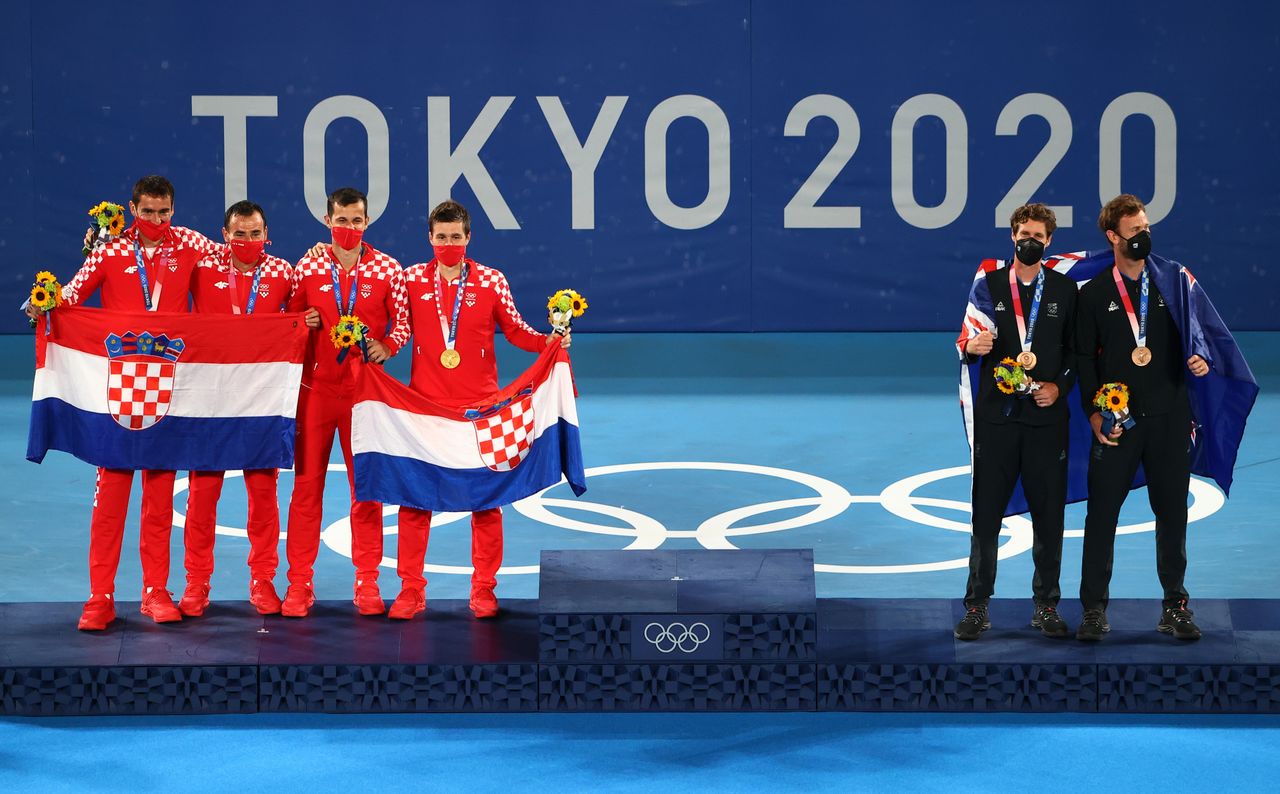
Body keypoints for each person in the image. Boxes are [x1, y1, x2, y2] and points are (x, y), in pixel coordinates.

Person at [32, 175, 221, 630]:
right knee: (111, 500)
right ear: (133, 209)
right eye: (149, 211)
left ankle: (155, 591)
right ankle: (100, 596)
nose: (157, 220)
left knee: (158, 501)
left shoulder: (193, 244)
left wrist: (310, 253)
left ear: (173, 210)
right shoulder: (111, 250)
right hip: (117, 393)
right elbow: (71, 296)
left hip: (168, 392)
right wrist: (41, 304)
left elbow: (237, 262)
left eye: (165, 211)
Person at [391, 200, 569, 620]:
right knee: (415, 502)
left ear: (468, 238)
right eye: (441, 237)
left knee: (486, 503)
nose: (448, 244)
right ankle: (411, 590)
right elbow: (399, 329)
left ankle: (484, 589)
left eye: (456, 237)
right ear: (429, 238)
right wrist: (376, 350)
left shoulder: (491, 280)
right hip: (427, 410)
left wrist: (550, 342)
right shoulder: (409, 279)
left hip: (481, 412)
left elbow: (516, 330)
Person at [1074, 194, 1212, 642]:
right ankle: (1094, 609)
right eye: (1135, 231)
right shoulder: (1094, 295)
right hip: (1119, 425)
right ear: (1113, 237)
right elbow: (1083, 359)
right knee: (1102, 516)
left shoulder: (1173, 283)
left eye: (1147, 228)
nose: (1145, 237)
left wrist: (1200, 359)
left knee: (1173, 515)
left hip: (1171, 420)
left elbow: (1199, 335)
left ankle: (1175, 605)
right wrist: (1095, 413)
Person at [280, 187, 410, 618]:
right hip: (315, 395)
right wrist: (302, 320)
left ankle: (367, 581)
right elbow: (287, 320)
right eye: (341, 220)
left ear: (367, 223)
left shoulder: (389, 269)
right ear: (327, 220)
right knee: (306, 491)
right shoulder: (309, 264)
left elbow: (403, 323)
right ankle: (299, 583)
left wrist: (388, 345)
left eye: (356, 221)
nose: (348, 229)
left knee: (367, 492)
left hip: (365, 397)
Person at [954, 203, 1077, 641]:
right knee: (985, 515)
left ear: (1049, 242)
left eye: (1038, 236)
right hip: (998, 420)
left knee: (1049, 517)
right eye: (1023, 233)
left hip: (1046, 420)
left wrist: (1059, 387)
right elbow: (966, 341)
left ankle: (1046, 605)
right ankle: (976, 606)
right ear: (1012, 236)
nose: (1030, 241)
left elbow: (1077, 354)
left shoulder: (1064, 290)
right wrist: (975, 345)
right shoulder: (987, 286)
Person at [180, 200, 295, 617]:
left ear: (267, 235)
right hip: (209, 398)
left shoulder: (285, 273)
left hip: (260, 399)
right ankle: (196, 582)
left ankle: (263, 580)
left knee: (263, 496)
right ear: (225, 234)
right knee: (202, 494)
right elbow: (159, 244)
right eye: (239, 233)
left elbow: (303, 315)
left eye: (255, 233)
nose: (248, 241)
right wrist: (100, 239)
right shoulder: (202, 264)